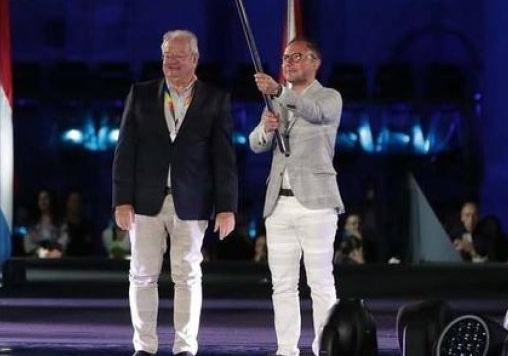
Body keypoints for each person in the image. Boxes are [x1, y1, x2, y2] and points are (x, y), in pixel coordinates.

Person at [112, 29, 237, 356]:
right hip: (145, 202)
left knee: (188, 277)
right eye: (167, 55)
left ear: (194, 59)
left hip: (192, 202)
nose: (171, 61)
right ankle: (144, 347)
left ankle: (184, 348)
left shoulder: (214, 99)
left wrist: (226, 207)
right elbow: (124, 151)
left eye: (178, 56)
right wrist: (122, 200)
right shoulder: (140, 94)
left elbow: (224, 158)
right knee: (141, 276)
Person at [249, 38, 343, 356]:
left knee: (320, 281)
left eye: (297, 57)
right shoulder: (276, 102)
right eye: (286, 57)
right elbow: (255, 144)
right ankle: (286, 348)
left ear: (315, 61)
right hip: (279, 203)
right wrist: (265, 129)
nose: (289, 62)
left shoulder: (329, 97)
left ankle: (325, 347)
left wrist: (279, 92)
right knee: (283, 284)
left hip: (316, 203)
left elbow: (316, 114)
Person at [23, 189, 67, 257]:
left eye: (45, 198)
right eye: (40, 199)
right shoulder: (32, 223)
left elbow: (64, 239)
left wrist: (56, 251)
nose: (42, 201)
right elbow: (27, 245)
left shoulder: (60, 221)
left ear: (51, 200)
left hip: (57, 259)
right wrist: (42, 253)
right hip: (36, 260)